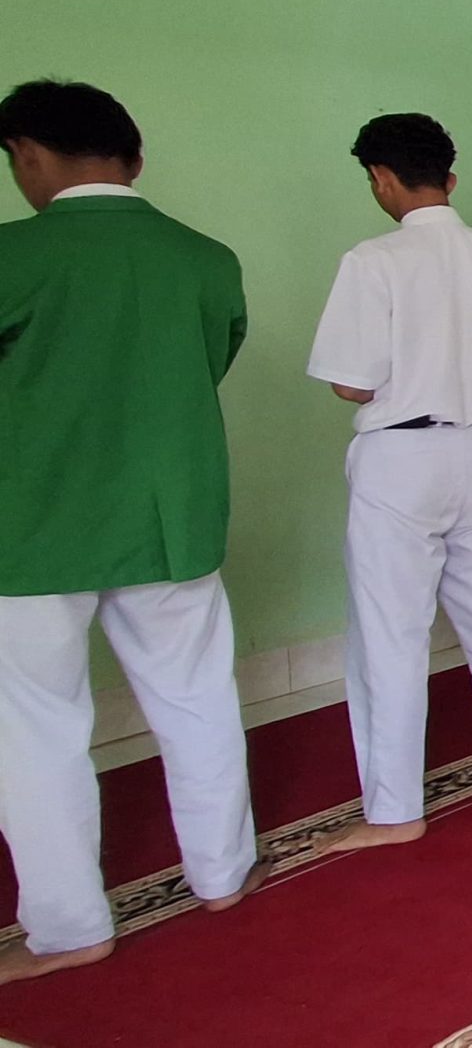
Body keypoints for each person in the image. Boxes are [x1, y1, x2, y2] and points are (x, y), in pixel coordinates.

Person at [0, 80, 263, 983]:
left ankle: (71, 926)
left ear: (28, 156)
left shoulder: (15, 255)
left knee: (36, 728)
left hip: (33, 524)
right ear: (135, 158)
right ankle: (224, 874)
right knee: (197, 697)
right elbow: (207, 362)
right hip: (173, 516)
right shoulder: (206, 258)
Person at [305, 113, 472, 856]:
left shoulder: (374, 260)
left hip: (401, 459)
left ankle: (396, 808)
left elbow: (351, 382)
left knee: (391, 633)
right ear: (450, 177)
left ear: (381, 179)